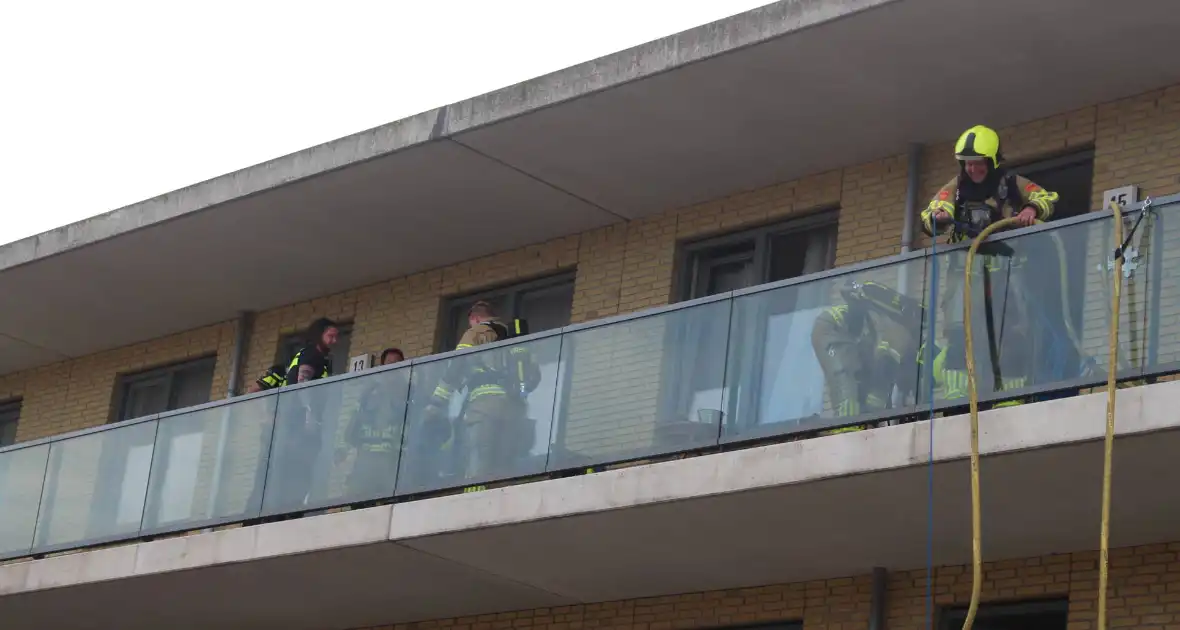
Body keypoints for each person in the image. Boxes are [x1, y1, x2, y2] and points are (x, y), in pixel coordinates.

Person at [920, 125, 1059, 405]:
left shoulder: (1011, 183)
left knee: (1011, 337)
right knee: (960, 338)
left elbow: (1047, 197)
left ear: (993, 161)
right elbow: (932, 211)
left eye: (979, 164)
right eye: (968, 164)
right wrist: (937, 218)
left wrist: (1032, 209)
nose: (972, 170)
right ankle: (957, 400)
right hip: (966, 276)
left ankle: (1010, 399)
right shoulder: (956, 188)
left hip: (1007, 275)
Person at [426, 301, 538, 485]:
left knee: (480, 459)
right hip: (516, 409)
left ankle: (476, 493)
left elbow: (457, 365)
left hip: (484, 407)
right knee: (505, 464)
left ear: (474, 318)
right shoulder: (517, 338)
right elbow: (534, 376)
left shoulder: (476, 332)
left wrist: (437, 403)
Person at [811, 280, 926, 433]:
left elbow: (887, 377)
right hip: (834, 327)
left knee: (873, 383)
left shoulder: (901, 334)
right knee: (845, 375)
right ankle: (848, 428)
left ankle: (859, 424)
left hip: (861, 342)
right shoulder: (897, 324)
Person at [272, 318, 339, 510]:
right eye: (330, 336)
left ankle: (288, 508)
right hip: (300, 422)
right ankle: (290, 509)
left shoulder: (309, 354)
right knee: (300, 468)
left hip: (293, 420)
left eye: (336, 337)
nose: (335, 341)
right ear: (320, 335)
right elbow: (303, 381)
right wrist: (309, 414)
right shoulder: (313, 355)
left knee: (295, 468)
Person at [340, 347, 407, 497]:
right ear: (382, 366)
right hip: (366, 459)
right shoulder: (369, 392)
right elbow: (353, 423)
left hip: (393, 460)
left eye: (398, 363)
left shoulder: (408, 393)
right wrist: (343, 450)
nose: (393, 366)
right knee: (357, 501)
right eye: (390, 362)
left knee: (391, 502)